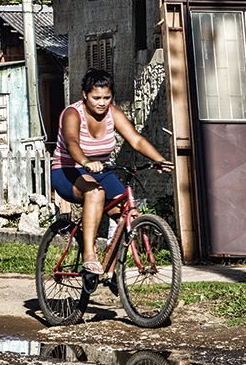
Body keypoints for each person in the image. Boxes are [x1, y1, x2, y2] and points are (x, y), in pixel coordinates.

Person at [50, 68, 172, 274]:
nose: (102, 102)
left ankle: (112, 270)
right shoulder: (73, 113)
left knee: (127, 214)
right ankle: (89, 254)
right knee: (95, 192)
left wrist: (159, 159)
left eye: (107, 97)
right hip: (68, 170)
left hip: (99, 171)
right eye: (96, 97)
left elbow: (135, 139)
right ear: (84, 95)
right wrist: (86, 161)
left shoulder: (112, 113)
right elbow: (71, 142)